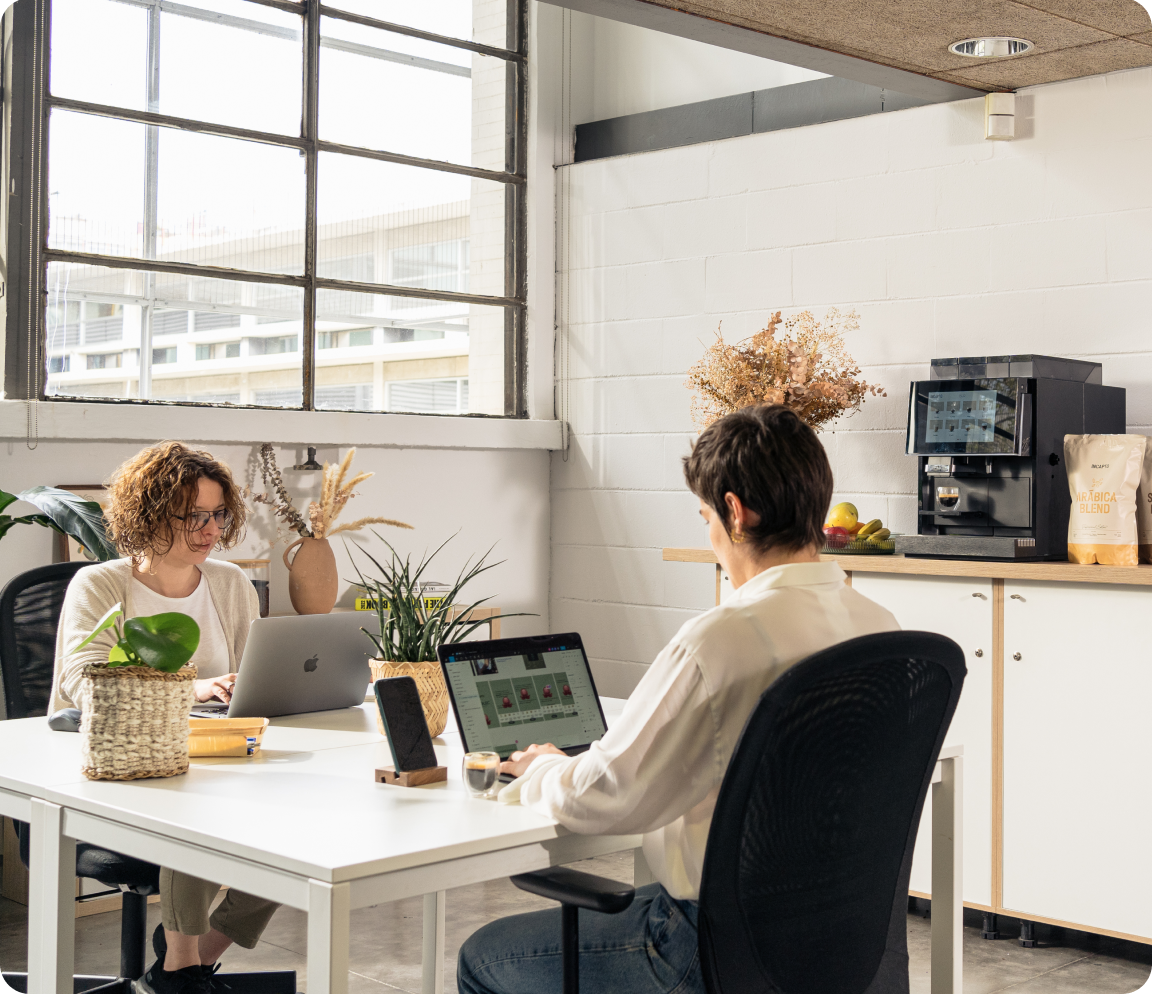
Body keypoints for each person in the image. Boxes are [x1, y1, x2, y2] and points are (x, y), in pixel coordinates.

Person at [457, 405, 901, 994]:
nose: (711, 534)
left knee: (482, 958)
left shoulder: (718, 641)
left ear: (735, 512)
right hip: (836, 944)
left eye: (705, 517)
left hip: (707, 950)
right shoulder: (880, 629)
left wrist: (543, 771)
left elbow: (607, 794)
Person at [50, 441, 278, 994]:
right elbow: (82, 681)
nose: (209, 527)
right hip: (115, 770)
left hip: (216, 759)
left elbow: (257, 680)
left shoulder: (230, 583)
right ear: (148, 514)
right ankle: (179, 971)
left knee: (308, 827)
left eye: (218, 513)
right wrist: (191, 686)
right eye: (192, 515)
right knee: (194, 814)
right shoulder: (100, 583)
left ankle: (192, 958)